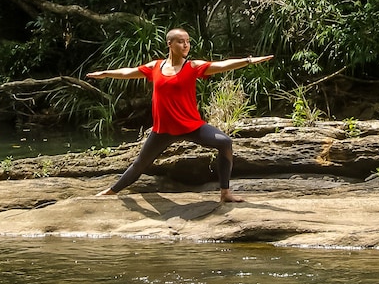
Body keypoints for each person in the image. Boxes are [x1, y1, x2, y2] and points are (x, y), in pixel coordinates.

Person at [85, 28, 274, 203]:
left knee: (224, 142)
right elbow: (129, 72)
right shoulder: (155, 67)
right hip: (164, 130)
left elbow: (222, 65)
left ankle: (225, 193)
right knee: (140, 164)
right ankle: (111, 192)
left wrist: (248, 61)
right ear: (170, 44)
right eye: (181, 42)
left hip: (191, 126)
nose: (185, 45)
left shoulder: (192, 66)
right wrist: (106, 73)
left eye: (188, 42)